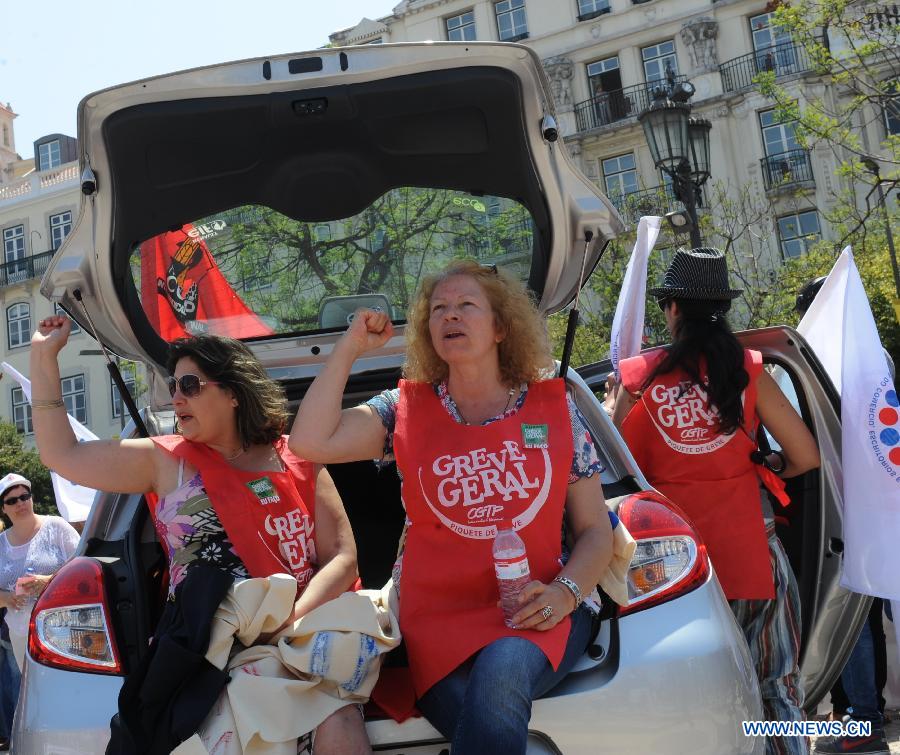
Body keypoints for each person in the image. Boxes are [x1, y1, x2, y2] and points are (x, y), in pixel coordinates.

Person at [289, 259, 619, 755]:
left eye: (467, 305)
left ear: (502, 327)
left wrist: (565, 594)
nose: (450, 316)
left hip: (540, 606)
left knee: (501, 673)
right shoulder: (403, 410)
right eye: (439, 309)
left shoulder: (554, 408)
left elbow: (595, 530)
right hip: (436, 621)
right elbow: (310, 441)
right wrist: (350, 348)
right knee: (481, 717)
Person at [28, 316, 379, 755]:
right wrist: (44, 357)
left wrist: (289, 624)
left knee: (340, 725)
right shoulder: (165, 462)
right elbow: (62, 454)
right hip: (210, 657)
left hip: (308, 640)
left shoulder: (300, 454)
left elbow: (343, 558)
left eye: (190, 385)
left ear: (232, 392)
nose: (177, 398)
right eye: (174, 387)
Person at [612, 248, 821, 755]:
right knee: (775, 686)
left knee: (695, 700)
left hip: (671, 567)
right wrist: (766, 465)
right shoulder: (749, 370)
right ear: (721, 308)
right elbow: (806, 456)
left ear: (672, 309)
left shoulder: (637, 379)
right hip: (752, 551)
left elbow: (606, 466)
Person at [796, 277, 893, 755]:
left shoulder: (826, 364)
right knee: (867, 615)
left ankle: (862, 719)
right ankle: (859, 713)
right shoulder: (872, 357)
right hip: (874, 507)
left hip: (844, 511)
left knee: (848, 615)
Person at [0, 473, 79, 671]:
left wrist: (50, 581)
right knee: (34, 694)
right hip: (21, 635)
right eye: (12, 500)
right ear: (3, 509)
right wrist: (7, 598)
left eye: (24, 496)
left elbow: (84, 566)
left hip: (64, 628)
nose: (20, 503)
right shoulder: (1, 544)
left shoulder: (57, 527)